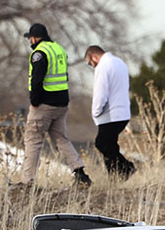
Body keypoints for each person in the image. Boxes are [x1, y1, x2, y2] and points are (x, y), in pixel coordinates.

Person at [21, 23, 92, 187]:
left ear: (34, 38)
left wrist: (34, 102)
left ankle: (27, 182)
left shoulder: (39, 53)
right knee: (61, 139)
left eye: (30, 39)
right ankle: (80, 174)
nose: (30, 42)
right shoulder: (59, 49)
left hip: (43, 105)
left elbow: (37, 80)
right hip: (61, 104)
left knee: (33, 140)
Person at [85, 45, 135, 179]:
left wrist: (96, 112)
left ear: (94, 57)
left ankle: (126, 168)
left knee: (102, 143)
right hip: (123, 112)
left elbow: (100, 93)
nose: (92, 66)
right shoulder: (120, 63)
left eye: (90, 63)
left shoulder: (103, 67)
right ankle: (115, 178)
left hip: (110, 115)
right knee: (110, 145)